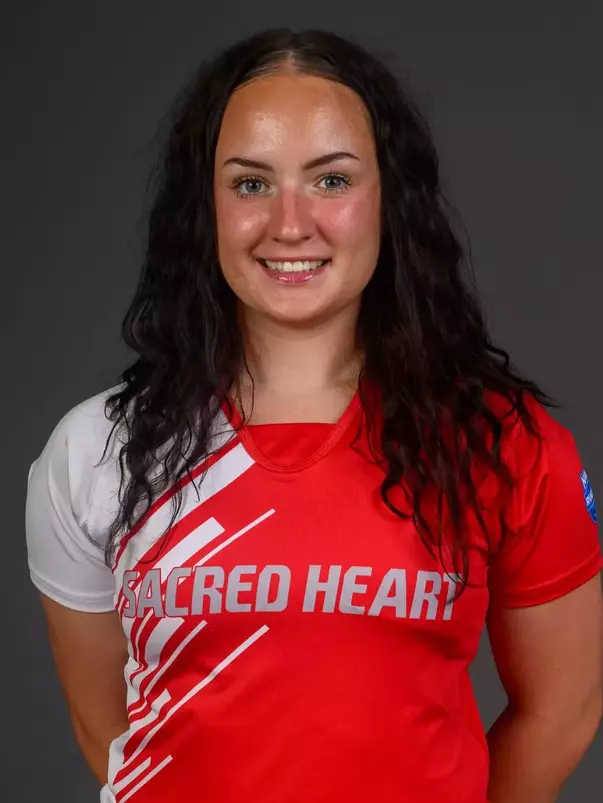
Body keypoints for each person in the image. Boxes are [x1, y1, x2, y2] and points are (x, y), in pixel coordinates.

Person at [25, 27, 602, 803]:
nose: (290, 224)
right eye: (251, 183)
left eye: (331, 181)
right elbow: (109, 732)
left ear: (388, 199)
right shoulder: (98, 450)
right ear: (206, 206)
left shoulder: (506, 445)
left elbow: (563, 710)